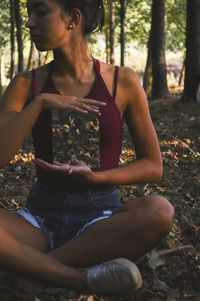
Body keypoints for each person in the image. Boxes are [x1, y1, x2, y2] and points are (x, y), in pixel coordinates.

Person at [0, 0, 175, 294]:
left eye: (40, 12)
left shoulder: (123, 81)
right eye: (28, 13)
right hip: (37, 220)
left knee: (159, 211)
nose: (29, 22)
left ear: (73, 18)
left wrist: (97, 177)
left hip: (100, 219)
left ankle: (34, 267)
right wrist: (40, 103)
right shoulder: (25, 84)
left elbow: (152, 165)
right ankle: (75, 277)